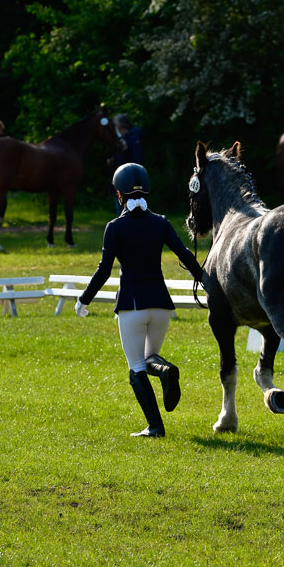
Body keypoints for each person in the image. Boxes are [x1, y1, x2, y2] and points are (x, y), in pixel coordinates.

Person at [75, 162, 204, 438]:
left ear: (119, 195)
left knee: (136, 367)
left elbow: (104, 270)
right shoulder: (161, 222)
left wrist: (84, 299)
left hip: (132, 305)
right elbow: (184, 254)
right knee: (150, 358)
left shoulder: (115, 227)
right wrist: (205, 281)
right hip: (161, 306)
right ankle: (166, 370)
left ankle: (155, 427)